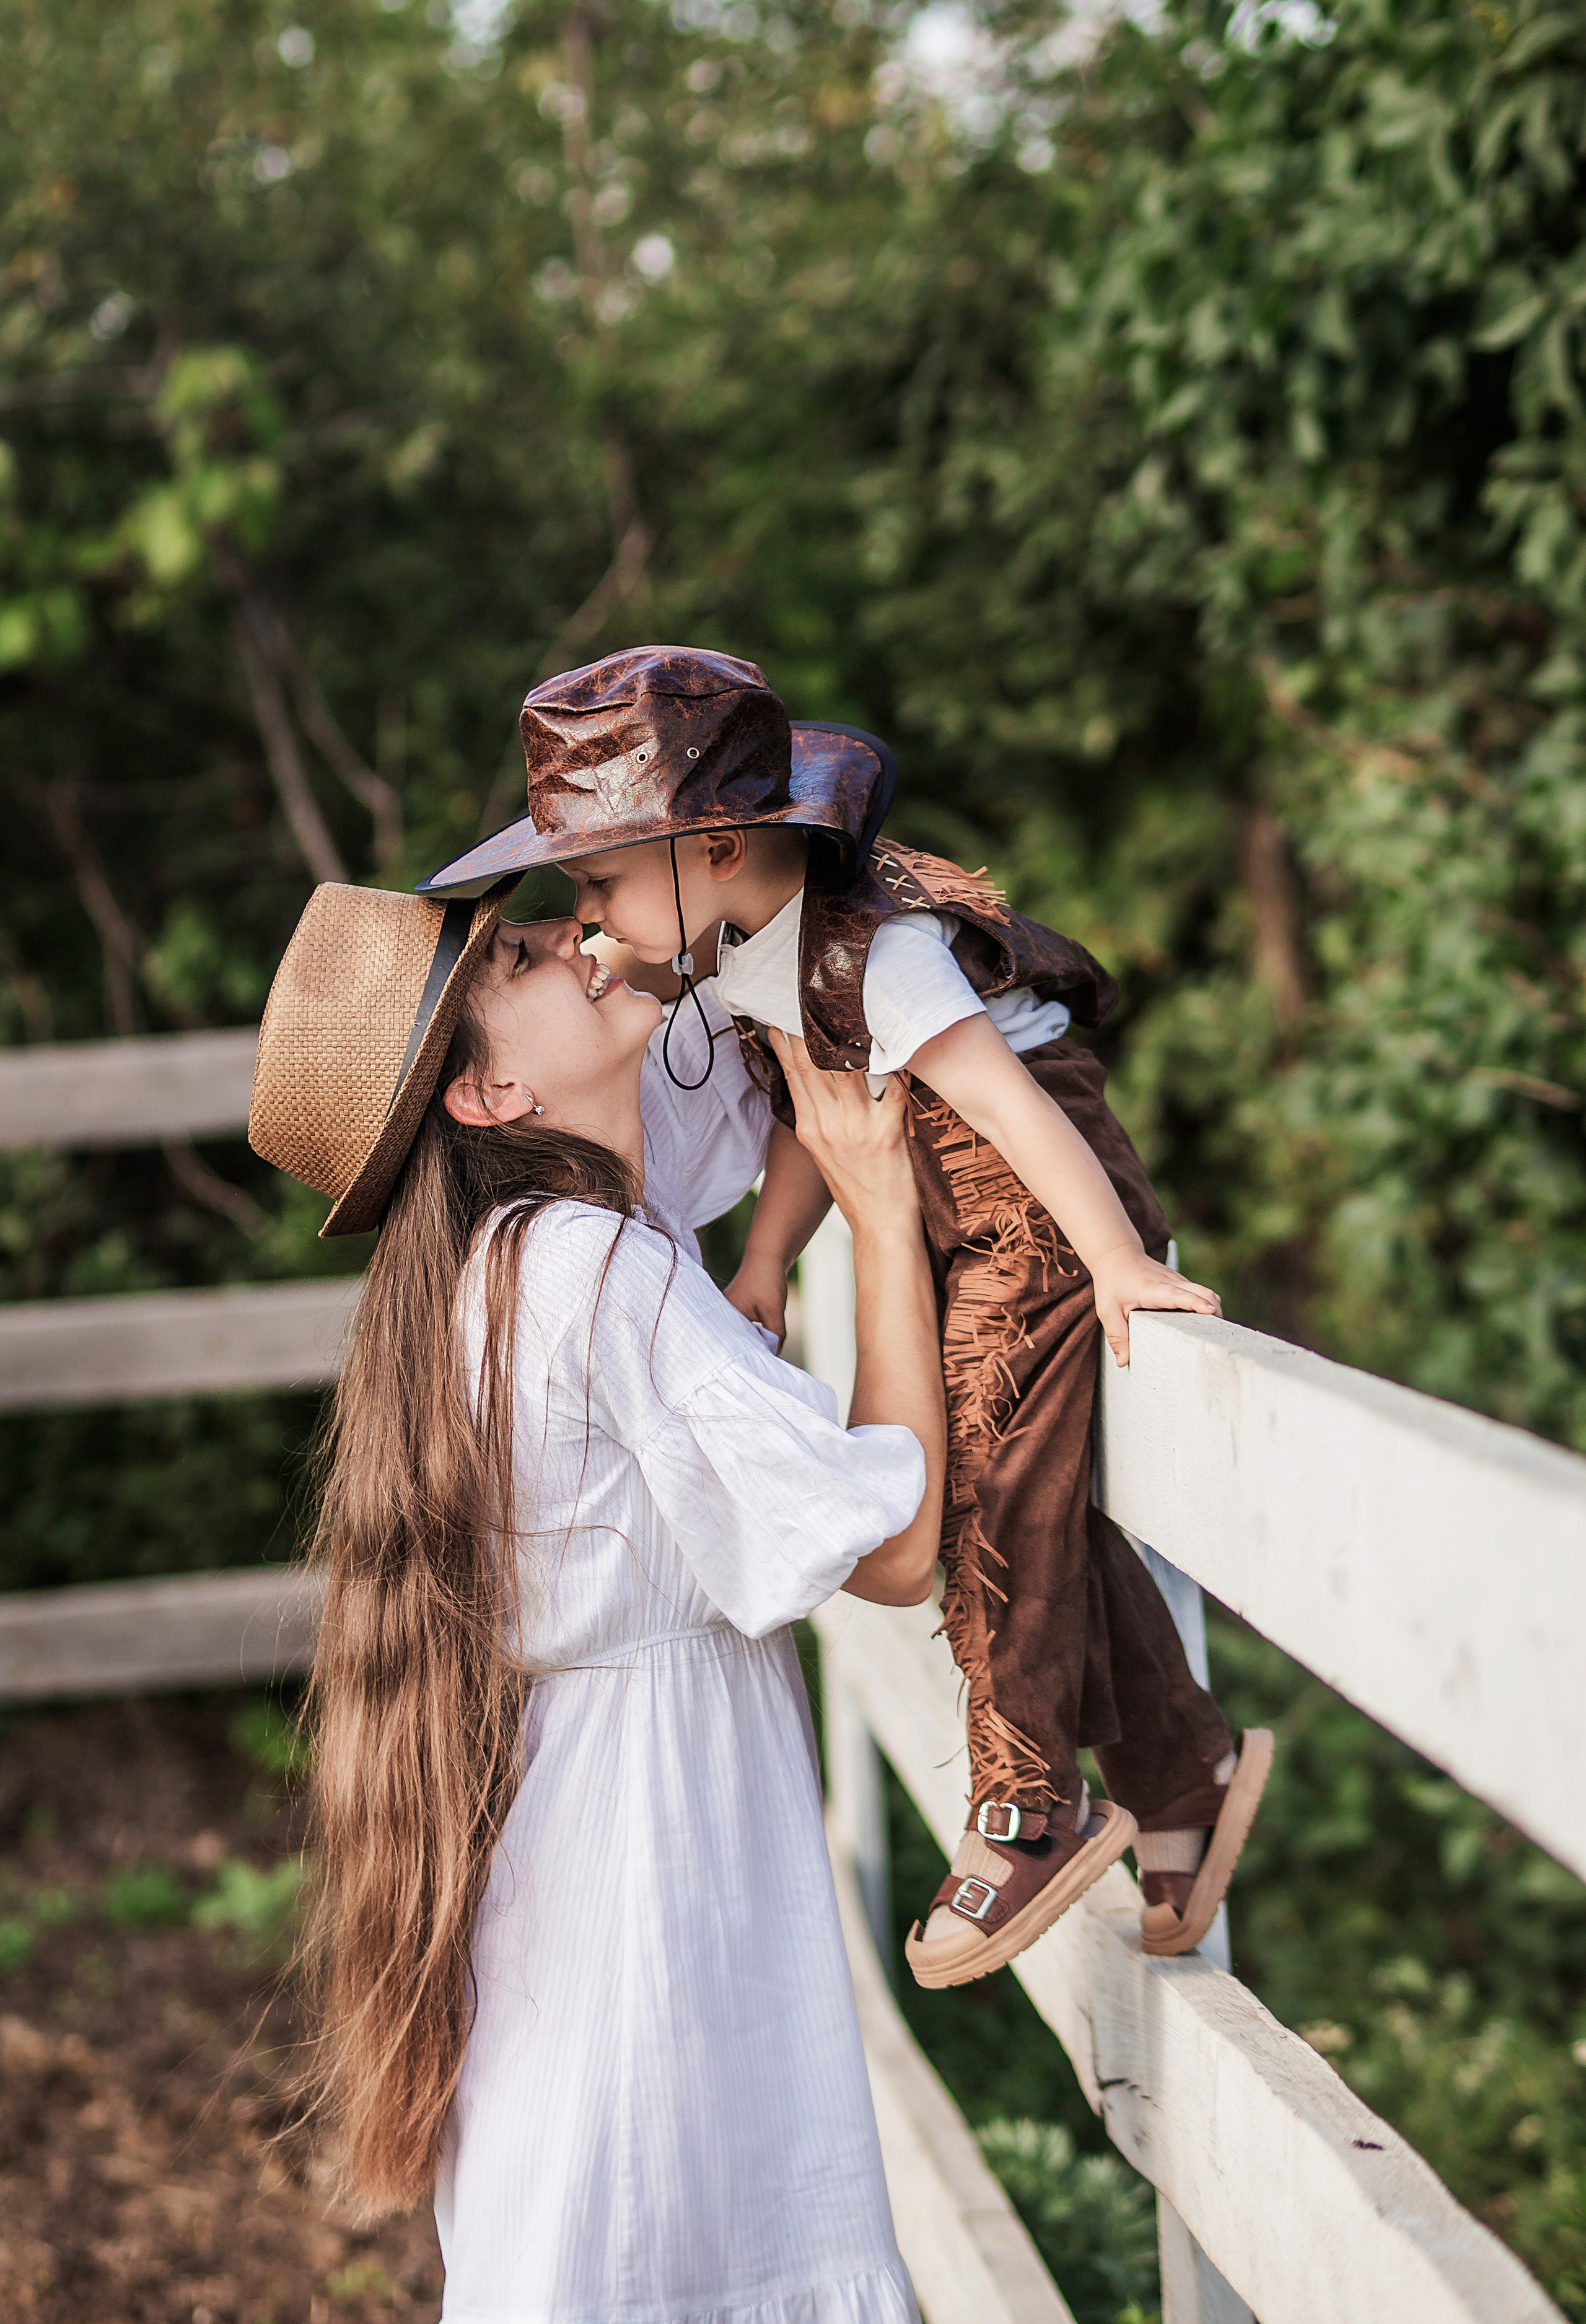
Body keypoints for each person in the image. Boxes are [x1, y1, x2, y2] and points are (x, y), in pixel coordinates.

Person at [419, 644, 1273, 1991]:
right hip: (946, 1198)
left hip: (1030, 1196)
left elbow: (1001, 1099)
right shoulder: (748, 950)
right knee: (1038, 1490)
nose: (584, 921)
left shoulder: (873, 950)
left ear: (708, 848)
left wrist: (1112, 1256)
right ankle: (1180, 1767)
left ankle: (1030, 1801)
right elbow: (816, 1118)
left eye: (595, 883)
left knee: (988, 1479)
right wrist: (762, 1262)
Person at [247, 879, 949, 2323]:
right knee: (654, 2231)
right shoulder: (597, 1269)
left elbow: (714, 1002)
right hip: (652, 1852)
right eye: (519, 957)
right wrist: (880, 1218)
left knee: (594, 2229)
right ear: (493, 1087)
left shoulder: (520, 1257)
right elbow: (891, 1553)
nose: (575, 942)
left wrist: (682, 894)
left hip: (583, 1827)